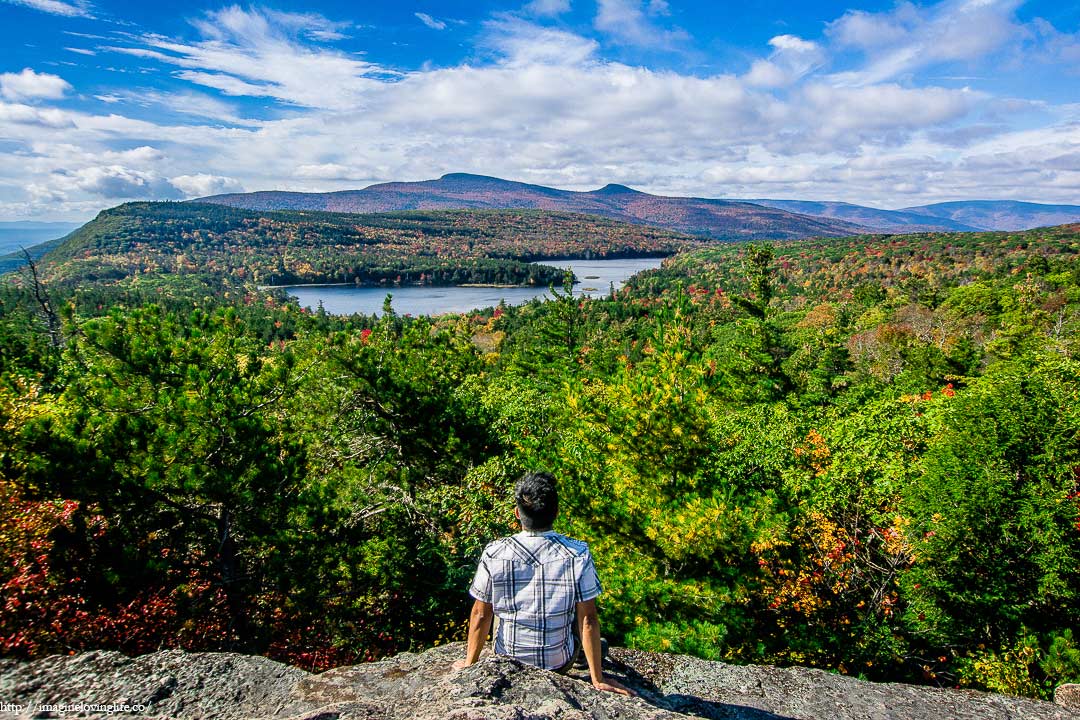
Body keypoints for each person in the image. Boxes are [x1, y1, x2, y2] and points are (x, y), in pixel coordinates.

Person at [452, 471, 634, 696]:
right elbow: (588, 619)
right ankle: (586, 655)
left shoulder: (494, 552)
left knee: (497, 603)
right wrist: (598, 679)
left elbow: (481, 614)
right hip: (559, 663)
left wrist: (470, 664)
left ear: (517, 513)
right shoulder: (578, 553)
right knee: (576, 612)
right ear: (556, 512)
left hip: (508, 661)